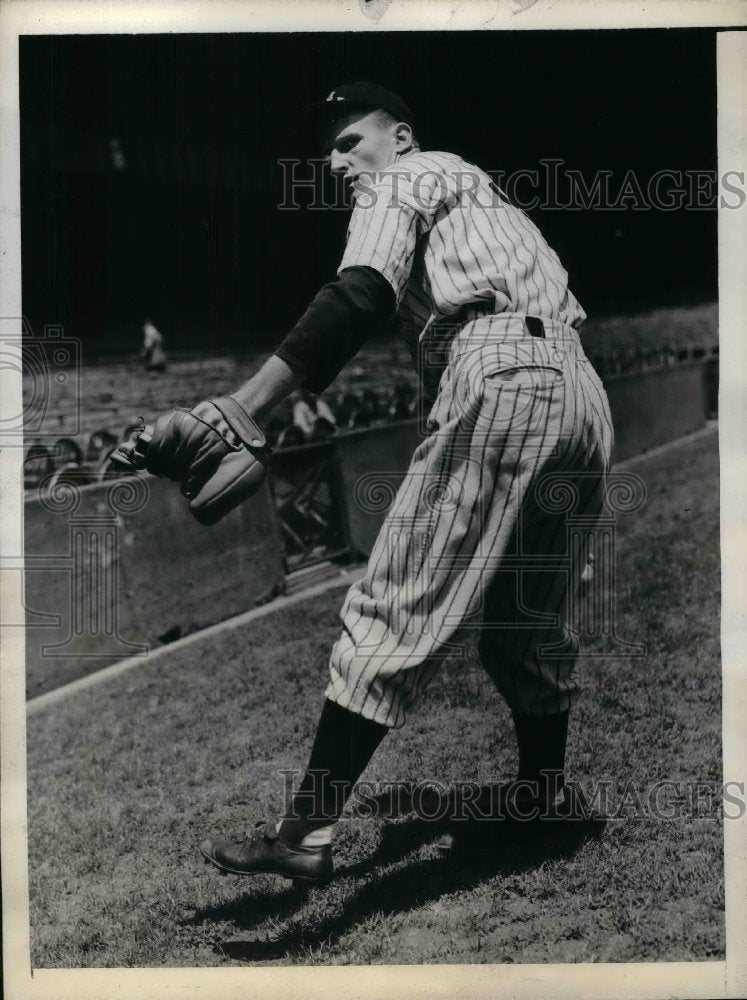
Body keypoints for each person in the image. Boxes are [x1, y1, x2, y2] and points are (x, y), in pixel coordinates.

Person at [198, 82, 613, 883]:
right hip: (579, 394)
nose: (336, 160)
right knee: (526, 627)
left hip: (502, 371)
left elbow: (359, 293)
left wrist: (247, 405)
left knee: (392, 606)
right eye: (330, 148)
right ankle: (542, 798)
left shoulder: (407, 176)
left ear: (402, 137)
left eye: (350, 140)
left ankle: (306, 834)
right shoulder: (485, 201)